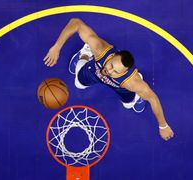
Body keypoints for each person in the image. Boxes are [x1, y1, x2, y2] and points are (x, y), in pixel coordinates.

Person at [43, 18, 174, 141]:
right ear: (112, 56)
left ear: (124, 72)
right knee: (78, 83)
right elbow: (76, 22)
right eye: (111, 65)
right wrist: (56, 47)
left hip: (120, 86)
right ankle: (85, 53)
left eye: (115, 71)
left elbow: (153, 98)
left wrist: (163, 126)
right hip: (94, 70)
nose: (108, 71)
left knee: (129, 105)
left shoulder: (131, 82)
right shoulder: (100, 49)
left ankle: (137, 95)